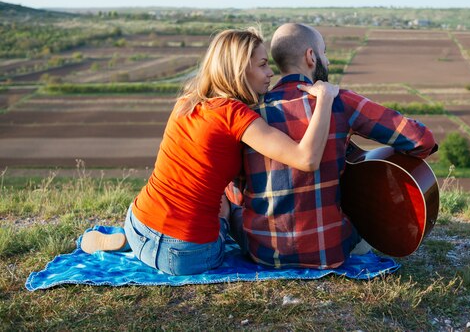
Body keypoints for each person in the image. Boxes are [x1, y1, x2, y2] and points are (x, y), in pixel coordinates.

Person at [80, 27, 339, 276]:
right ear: (238, 70)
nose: (270, 73)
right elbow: (306, 159)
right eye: (262, 65)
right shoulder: (234, 114)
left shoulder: (186, 102)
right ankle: (222, 230)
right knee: (229, 208)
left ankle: (133, 243)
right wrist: (325, 97)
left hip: (139, 221)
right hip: (186, 254)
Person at [226, 23, 437, 269]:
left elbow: (238, 193)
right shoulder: (340, 101)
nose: (327, 61)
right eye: (323, 53)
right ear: (311, 56)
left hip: (262, 253)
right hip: (327, 253)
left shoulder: (246, 113)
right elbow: (422, 140)